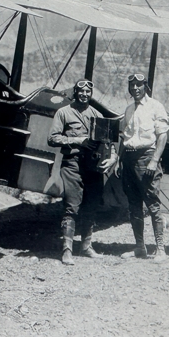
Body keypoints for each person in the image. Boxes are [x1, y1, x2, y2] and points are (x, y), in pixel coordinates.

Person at [47, 79, 112, 265]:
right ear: (75, 92)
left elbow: (107, 143)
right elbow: (52, 138)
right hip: (72, 164)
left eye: (88, 92)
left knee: (91, 206)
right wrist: (77, 141)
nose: (84, 94)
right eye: (81, 91)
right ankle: (67, 250)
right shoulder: (64, 113)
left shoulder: (97, 115)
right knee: (71, 206)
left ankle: (86, 247)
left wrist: (112, 157)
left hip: (93, 166)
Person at [108, 72, 169, 262]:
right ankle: (139, 248)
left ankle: (160, 249)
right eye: (132, 85)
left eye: (139, 85)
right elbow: (124, 138)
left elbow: (162, 136)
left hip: (146, 158)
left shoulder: (155, 107)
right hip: (128, 159)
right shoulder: (128, 110)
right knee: (134, 205)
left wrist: (154, 160)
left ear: (146, 86)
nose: (135, 88)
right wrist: (118, 159)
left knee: (152, 204)